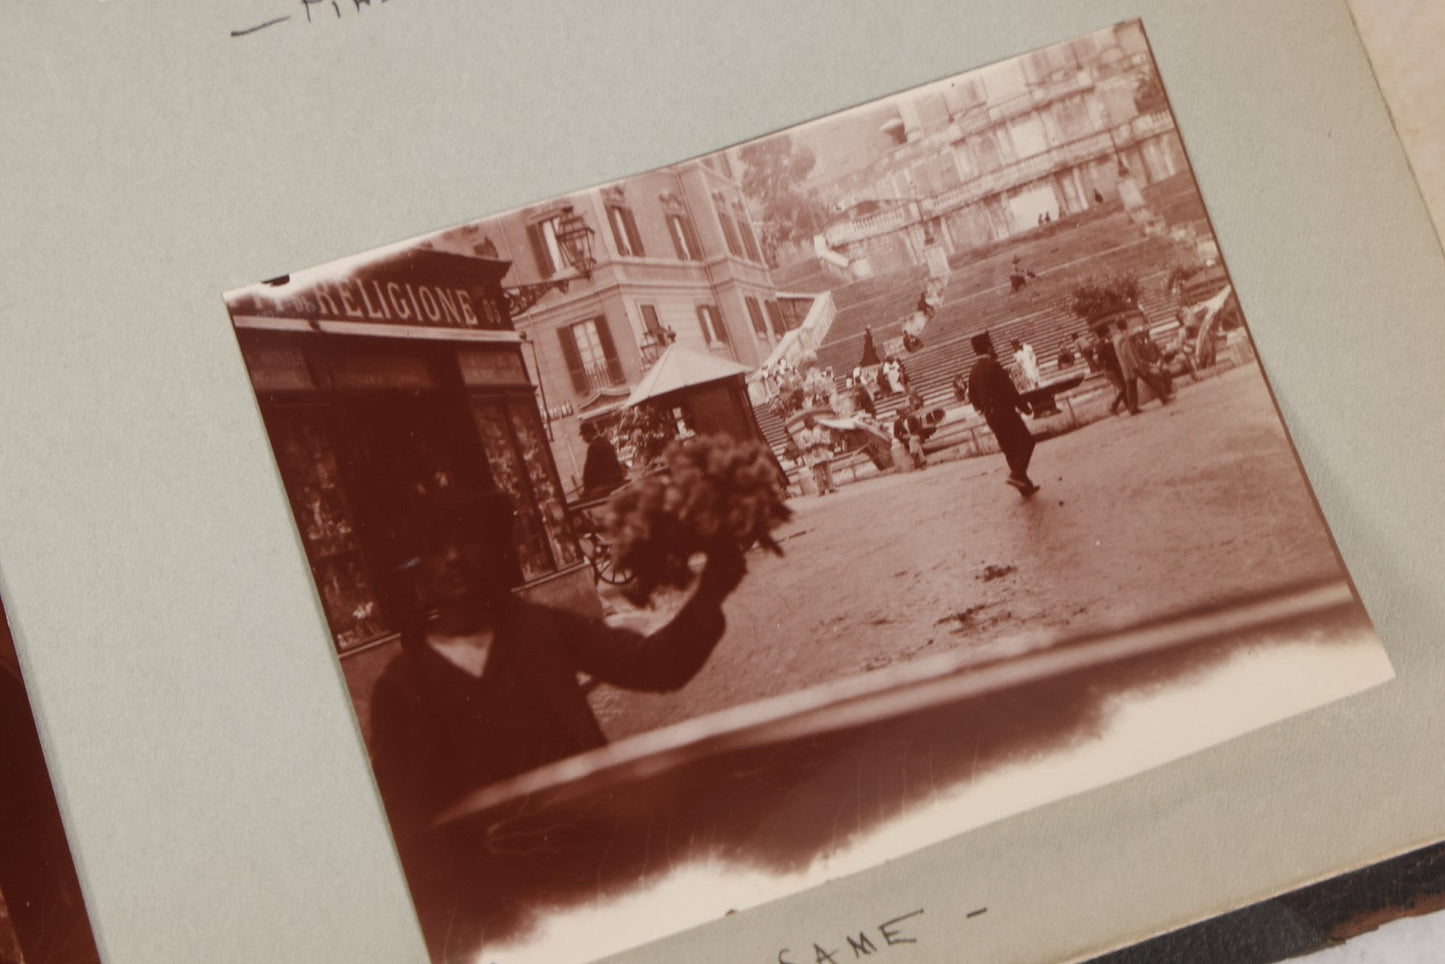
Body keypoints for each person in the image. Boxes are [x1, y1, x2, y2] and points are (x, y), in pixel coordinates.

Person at [967, 334, 1038, 496]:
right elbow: (1009, 390)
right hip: (1006, 413)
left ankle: (1024, 487)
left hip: (991, 417)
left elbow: (972, 398)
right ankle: (1017, 474)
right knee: (1027, 441)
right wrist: (1024, 407)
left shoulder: (973, 371)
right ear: (988, 347)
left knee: (1009, 449)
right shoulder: (994, 366)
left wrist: (984, 409)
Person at [1113, 316, 1174, 413]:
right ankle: (1163, 398)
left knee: (1131, 386)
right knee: (1153, 379)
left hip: (1126, 366)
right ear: (1125, 324)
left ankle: (1133, 408)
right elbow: (1128, 353)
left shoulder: (1116, 338)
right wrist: (1136, 365)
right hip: (1134, 365)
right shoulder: (1124, 337)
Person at [579, 421, 626, 499]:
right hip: (617, 480)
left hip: (603, 486)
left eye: (584, 435)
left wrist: (586, 489)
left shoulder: (593, 447)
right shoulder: (606, 443)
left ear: (589, 433)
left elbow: (590, 469)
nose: (583, 438)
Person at [797, 414, 837, 495]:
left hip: (822, 452)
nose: (813, 422)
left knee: (827, 471)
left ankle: (831, 487)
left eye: (813, 420)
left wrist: (822, 442)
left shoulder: (818, 430)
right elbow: (802, 446)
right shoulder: (803, 434)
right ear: (807, 423)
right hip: (813, 455)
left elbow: (826, 440)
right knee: (817, 474)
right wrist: (811, 445)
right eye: (811, 421)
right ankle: (821, 490)